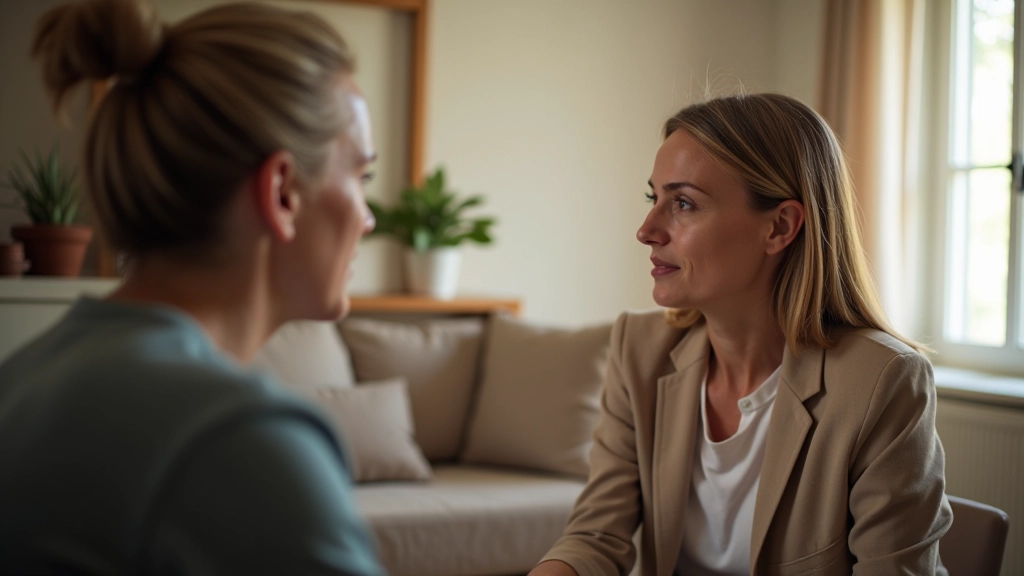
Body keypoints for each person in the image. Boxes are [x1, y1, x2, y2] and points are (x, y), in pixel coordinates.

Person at [0, 0, 383, 574]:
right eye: (361, 174)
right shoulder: (239, 437)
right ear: (282, 192)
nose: (369, 217)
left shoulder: (20, 380)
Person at [529, 93, 953, 576]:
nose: (647, 229)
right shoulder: (639, 350)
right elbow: (595, 538)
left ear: (779, 227)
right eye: (655, 198)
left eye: (683, 203)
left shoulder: (881, 381)